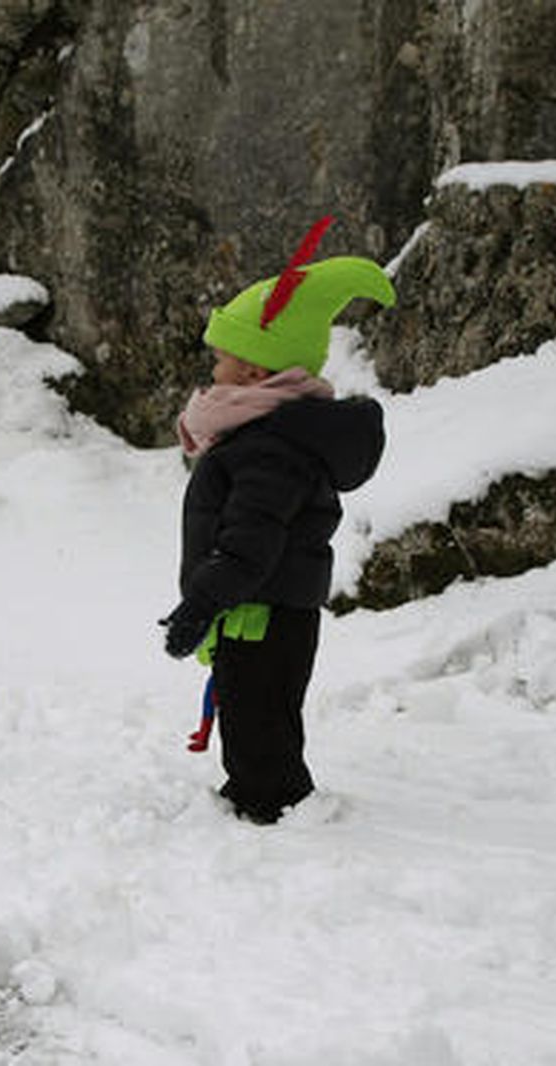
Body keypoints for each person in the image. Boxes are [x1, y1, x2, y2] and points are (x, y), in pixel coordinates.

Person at [160, 217, 395, 824]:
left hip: (259, 611)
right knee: (255, 710)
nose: (212, 373)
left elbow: (251, 540)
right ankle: (265, 796)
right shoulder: (269, 436)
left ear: (256, 374)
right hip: (262, 611)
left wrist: (201, 603)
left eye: (222, 362)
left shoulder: (269, 446)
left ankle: (269, 809)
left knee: (259, 712)